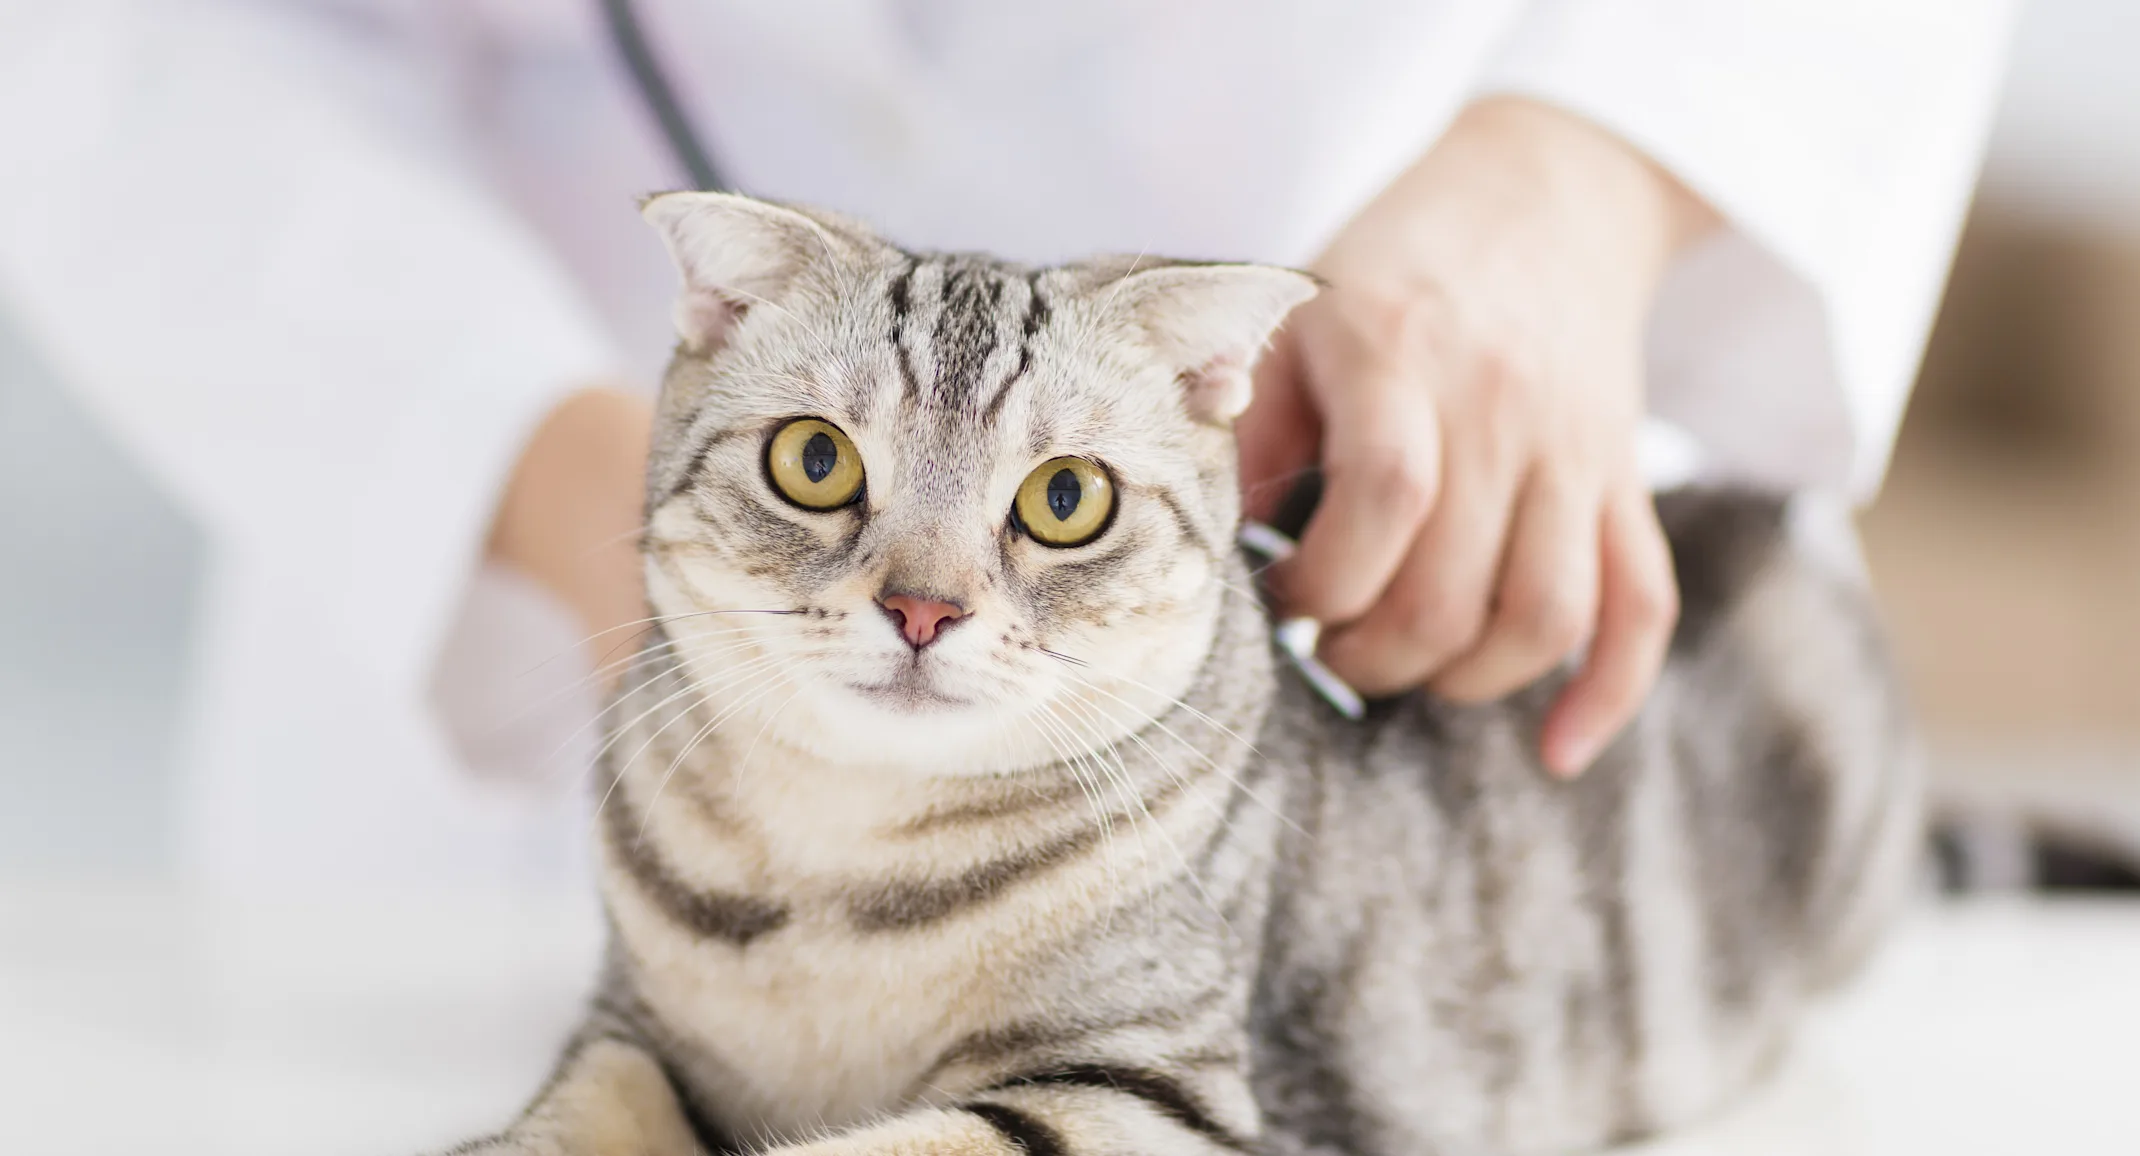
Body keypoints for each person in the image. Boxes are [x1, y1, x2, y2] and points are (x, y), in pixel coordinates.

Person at [0, 0, 2015, 892]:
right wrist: (613, 518)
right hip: (508, 728)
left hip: (1402, 432)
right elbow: (133, 50)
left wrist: (1584, 173)